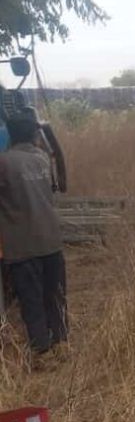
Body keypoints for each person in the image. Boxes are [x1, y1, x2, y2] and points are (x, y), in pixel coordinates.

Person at [0, 115, 67, 357]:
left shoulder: (5, 162)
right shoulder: (41, 159)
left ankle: (42, 351)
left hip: (23, 245)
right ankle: (61, 344)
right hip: (51, 240)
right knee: (55, 295)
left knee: (31, 298)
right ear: (33, 135)